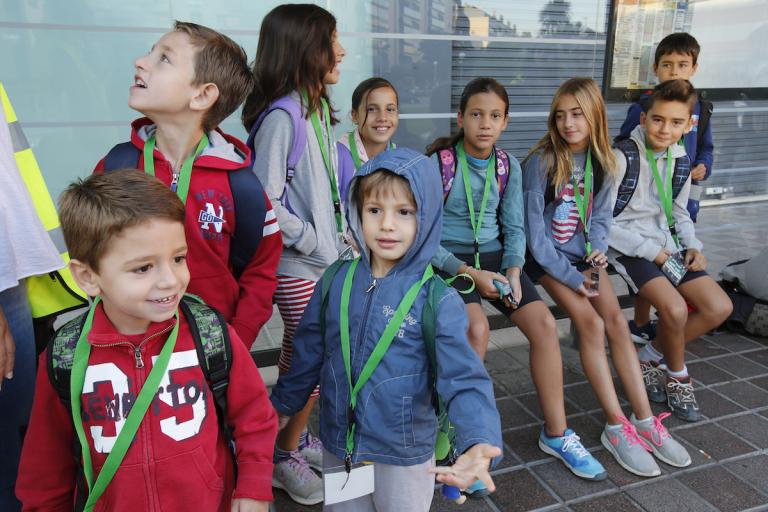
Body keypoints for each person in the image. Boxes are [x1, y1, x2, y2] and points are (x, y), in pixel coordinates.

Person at [16, 170, 278, 511]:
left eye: (178, 258)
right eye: (143, 268)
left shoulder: (209, 333)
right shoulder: (65, 358)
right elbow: (45, 464)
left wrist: (254, 486)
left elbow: (254, 417)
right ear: (88, 276)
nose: (170, 280)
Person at [270, 148, 502, 512]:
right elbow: (308, 352)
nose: (387, 224)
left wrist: (478, 441)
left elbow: (464, 378)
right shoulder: (335, 280)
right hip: (341, 445)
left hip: (403, 453)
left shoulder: (436, 299)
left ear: (427, 217)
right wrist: (282, 406)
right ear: (357, 211)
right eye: (374, 210)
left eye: (404, 212)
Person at [426, 78, 601, 482]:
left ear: (505, 122)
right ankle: (461, 440)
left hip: (494, 258)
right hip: (451, 262)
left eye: (494, 116)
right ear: (460, 118)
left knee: (544, 325)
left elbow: (515, 228)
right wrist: (469, 273)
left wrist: (513, 271)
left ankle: (557, 433)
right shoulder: (440, 164)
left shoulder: (508, 166)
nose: (485, 123)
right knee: (476, 329)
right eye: (476, 114)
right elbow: (424, 238)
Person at [523, 77, 692, 477]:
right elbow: (536, 237)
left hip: (583, 256)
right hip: (547, 261)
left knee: (616, 321)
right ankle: (616, 427)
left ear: (595, 115)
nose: (568, 123)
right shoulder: (542, 162)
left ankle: (644, 420)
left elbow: (600, 219)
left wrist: (597, 252)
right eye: (560, 115)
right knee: (591, 324)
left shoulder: (606, 162)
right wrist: (571, 276)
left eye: (577, 114)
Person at [93, 21, 281, 349]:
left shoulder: (240, 185)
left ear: (203, 95)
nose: (140, 62)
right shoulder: (116, 167)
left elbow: (261, 270)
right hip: (127, 346)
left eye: (164, 58)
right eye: (151, 52)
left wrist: (236, 340)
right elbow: (90, 246)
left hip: (209, 351)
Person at [240, 4, 347, 504]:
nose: (341, 51)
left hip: (321, 260)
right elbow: (264, 199)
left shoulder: (315, 110)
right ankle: (278, 455)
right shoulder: (284, 116)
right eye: (332, 41)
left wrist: (337, 239)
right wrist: (311, 238)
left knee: (299, 358)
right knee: (314, 361)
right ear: (306, 50)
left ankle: (292, 440)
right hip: (298, 263)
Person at [608, 79, 732, 422]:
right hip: (628, 248)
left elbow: (678, 213)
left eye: (676, 122)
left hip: (667, 244)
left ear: (688, 125)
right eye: (658, 119)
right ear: (643, 118)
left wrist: (693, 245)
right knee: (675, 310)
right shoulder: (621, 157)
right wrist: (654, 253)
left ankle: (649, 355)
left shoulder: (681, 158)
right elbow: (603, 224)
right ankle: (678, 376)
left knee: (719, 306)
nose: (665, 129)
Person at [616, 33, 714, 343]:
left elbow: (707, 147)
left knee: (699, 301)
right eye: (667, 65)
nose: (674, 71)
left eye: (682, 65)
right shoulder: (640, 112)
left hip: (675, 205)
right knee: (669, 300)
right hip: (635, 223)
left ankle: (656, 334)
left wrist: (703, 164)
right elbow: (626, 144)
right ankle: (643, 323)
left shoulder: (702, 110)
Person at [337, 77, 399, 200]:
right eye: (371, 109)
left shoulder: (399, 160)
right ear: (355, 116)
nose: (383, 118)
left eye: (390, 109)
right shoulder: (336, 157)